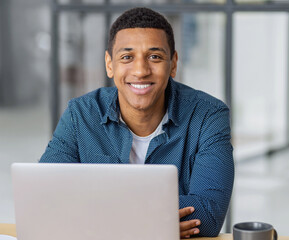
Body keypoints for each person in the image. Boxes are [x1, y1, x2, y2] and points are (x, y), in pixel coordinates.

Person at [40, 7, 234, 239]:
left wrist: (99, 212)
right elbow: (47, 196)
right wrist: (147, 221)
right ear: (110, 64)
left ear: (173, 63)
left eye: (154, 57)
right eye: (127, 57)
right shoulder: (80, 114)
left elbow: (209, 214)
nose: (141, 71)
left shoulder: (208, 115)